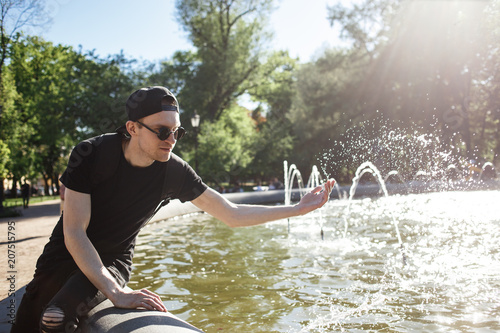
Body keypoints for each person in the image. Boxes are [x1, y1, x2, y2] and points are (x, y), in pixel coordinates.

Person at [11, 86, 334, 333]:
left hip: (113, 259)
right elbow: (74, 231)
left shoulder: (174, 172)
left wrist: (296, 209)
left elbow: (231, 214)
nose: (171, 139)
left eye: (176, 132)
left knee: (56, 318)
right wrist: (117, 294)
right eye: (163, 131)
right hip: (64, 254)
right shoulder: (91, 154)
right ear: (133, 128)